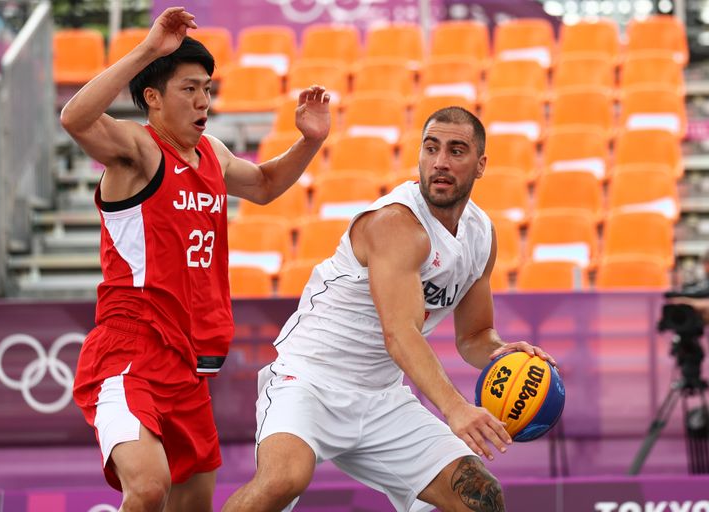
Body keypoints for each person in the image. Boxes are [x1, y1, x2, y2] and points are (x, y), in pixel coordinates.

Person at [60, 7, 330, 512]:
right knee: (147, 486)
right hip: (132, 348)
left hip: (190, 363)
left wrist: (309, 142)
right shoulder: (138, 150)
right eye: (189, 89)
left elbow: (267, 185)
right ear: (153, 98)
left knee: (193, 503)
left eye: (207, 88)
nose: (203, 100)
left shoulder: (213, 153)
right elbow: (75, 118)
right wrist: (148, 49)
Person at [222, 107, 557, 512]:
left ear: (481, 164)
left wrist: (504, 352)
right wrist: (455, 409)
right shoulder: (396, 224)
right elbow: (400, 334)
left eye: (456, 150)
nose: (440, 162)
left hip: (381, 397)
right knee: (283, 480)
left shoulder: (481, 234)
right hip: (309, 380)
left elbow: (473, 337)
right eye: (431, 148)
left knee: (480, 498)